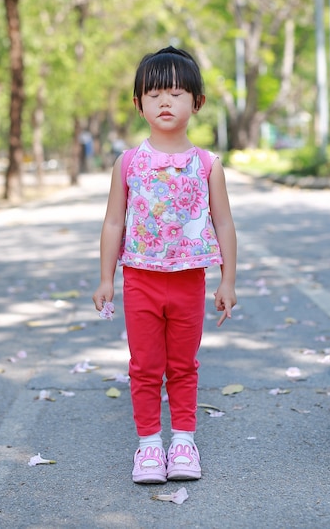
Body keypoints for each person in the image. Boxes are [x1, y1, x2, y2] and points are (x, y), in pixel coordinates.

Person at [92, 46, 237, 484]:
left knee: (183, 365)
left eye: (176, 93)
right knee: (144, 365)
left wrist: (228, 281)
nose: (165, 102)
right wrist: (106, 279)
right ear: (138, 104)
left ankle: (184, 442)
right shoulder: (129, 162)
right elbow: (114, 219)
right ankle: (150, 447)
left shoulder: (207, 165)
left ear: (197, 102)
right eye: (154, 94)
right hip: (140, 279)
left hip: (190, 281)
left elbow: (225, 222)